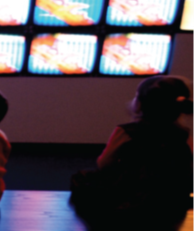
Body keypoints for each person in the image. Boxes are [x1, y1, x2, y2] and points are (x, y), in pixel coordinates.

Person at [71, 76, 194, 215]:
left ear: (141, 103)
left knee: (82, 179)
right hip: (172, 197)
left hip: (132, 196)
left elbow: (104, 164)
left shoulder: (126, 131)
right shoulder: (183, 134)